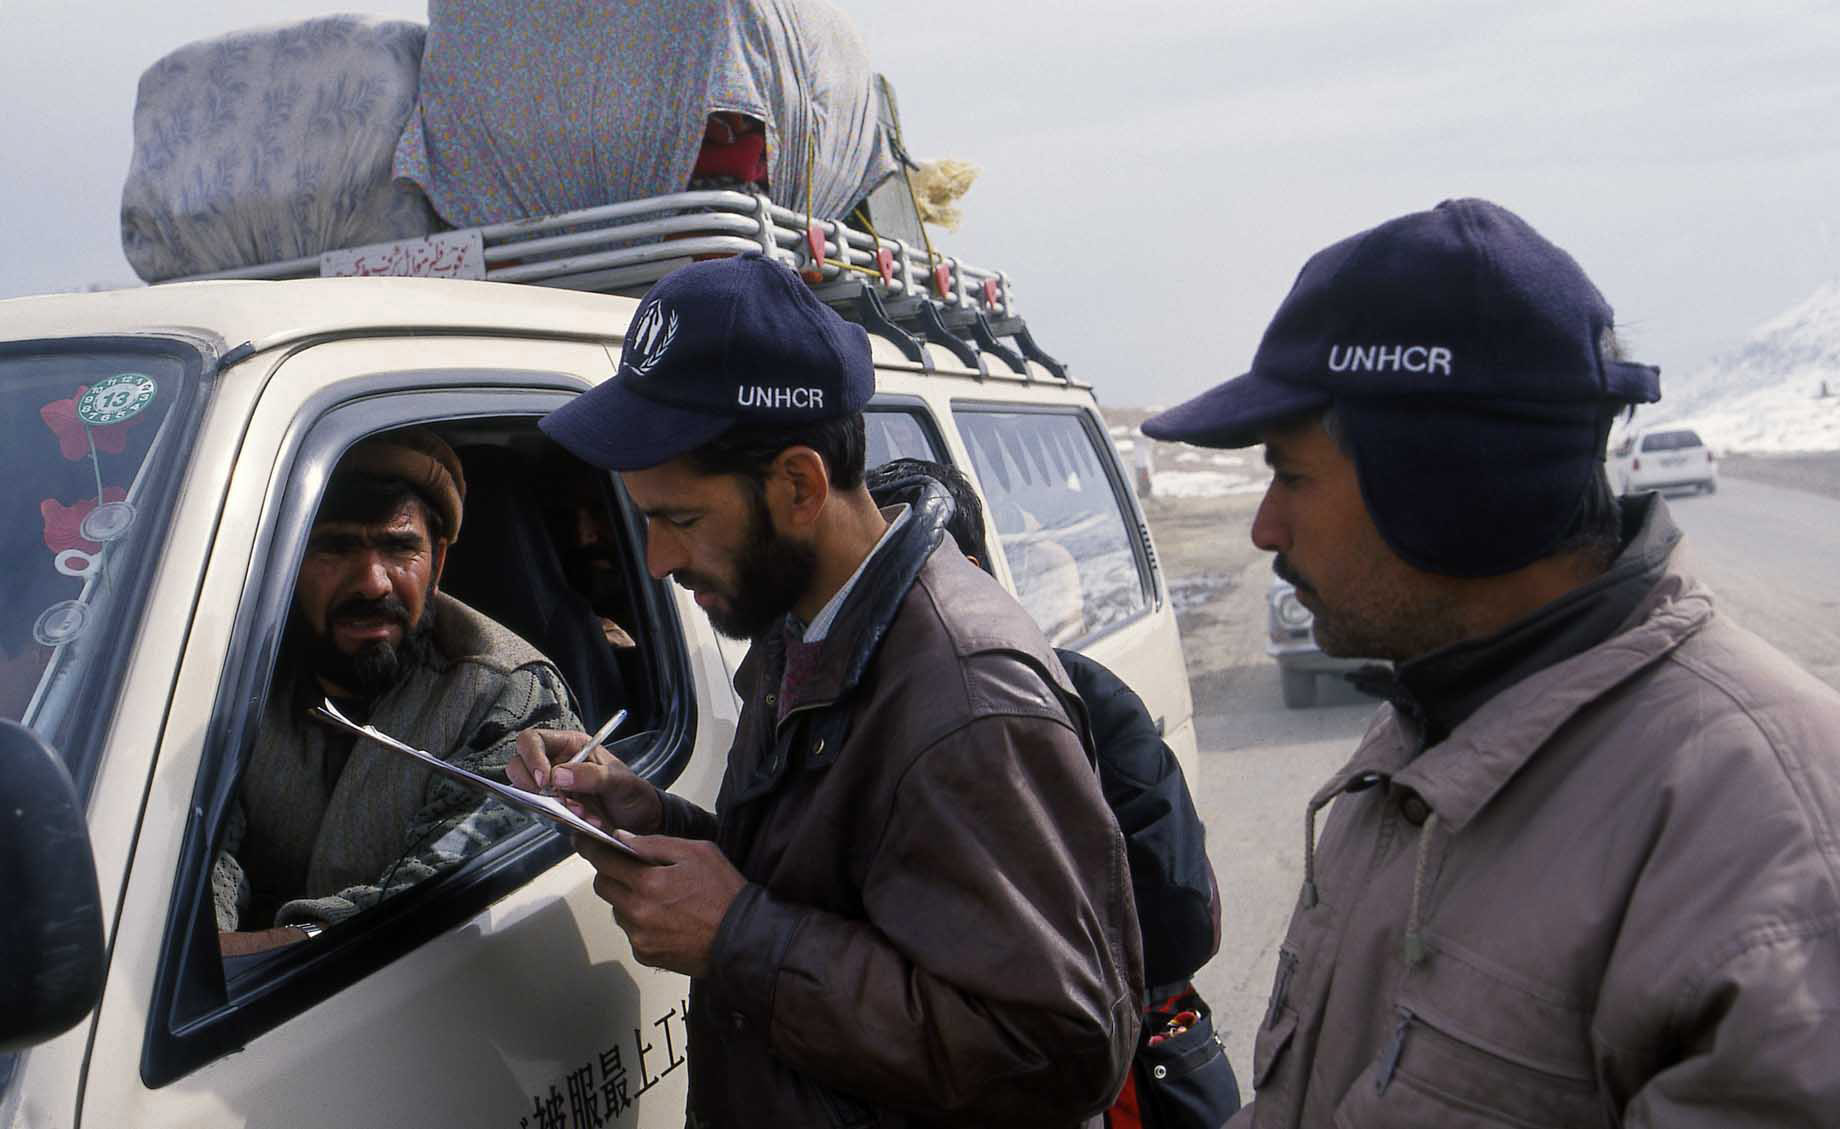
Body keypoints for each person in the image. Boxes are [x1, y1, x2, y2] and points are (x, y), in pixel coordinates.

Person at [1140, 198, 1840, 1126]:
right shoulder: (1439, 723)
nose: (1265, 526)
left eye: (1293, 474)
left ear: (1445, 488)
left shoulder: (1760, 837)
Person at [511, 252, 1143, 1128]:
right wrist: (645, 816)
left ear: (800, 485)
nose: (655, 561)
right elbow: (831, 886)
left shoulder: (964, 700)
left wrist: (738, 939)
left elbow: (1058, 1047)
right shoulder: (808, 625)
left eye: (679, 520)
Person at [866, 457, 1239, 1128]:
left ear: (966, 574)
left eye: (887, 588)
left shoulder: (1089, 703)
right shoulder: (848, 733)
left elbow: (1182, 914)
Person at [213, 428, 579, 956]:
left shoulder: (507, 694)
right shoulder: (239, 679)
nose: (373, 583)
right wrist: (202, 945)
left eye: (399, 548)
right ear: (287, 563)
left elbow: (446, 876)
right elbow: (197, 844)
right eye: (335, 548)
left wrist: (275, 952)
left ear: (439, 564)